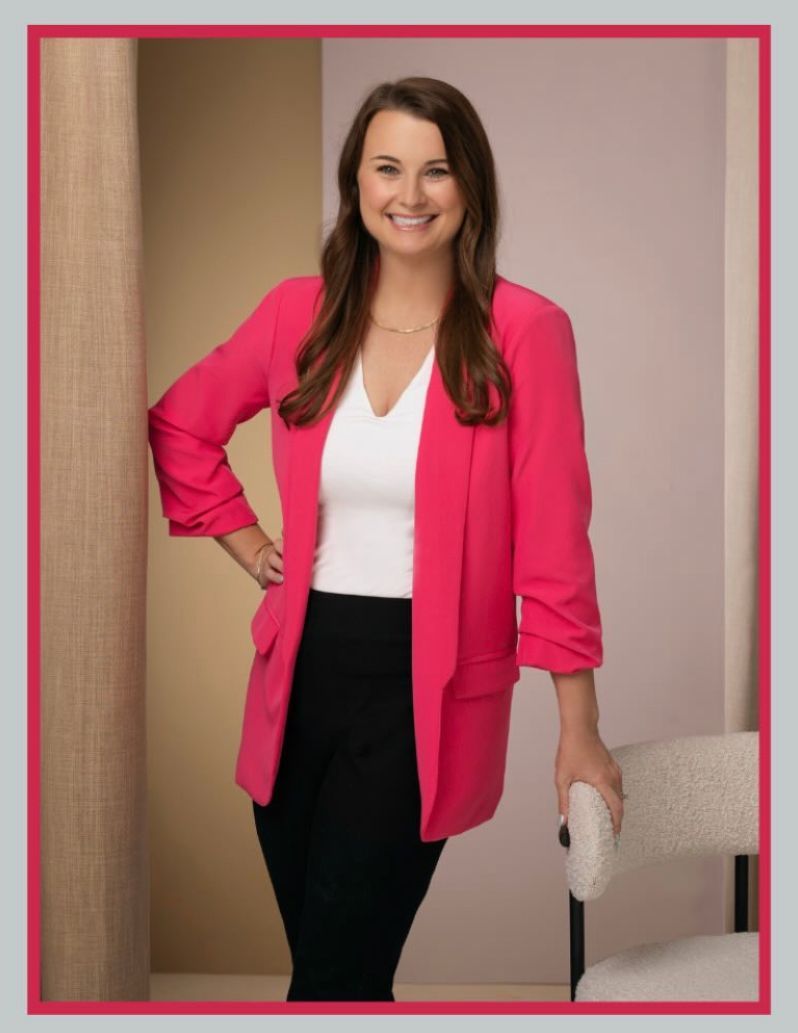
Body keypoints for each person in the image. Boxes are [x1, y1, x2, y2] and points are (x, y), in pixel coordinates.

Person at [147, 75, 624, 1003]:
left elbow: (556, 544)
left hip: (428, 694)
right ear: (355, 183)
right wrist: (248, 545)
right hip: (297, 683)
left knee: (331, 979)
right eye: (389, 168)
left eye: (437, 170)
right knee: (342, 979)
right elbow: (180, 424)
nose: (411, 194)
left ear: (470, 188)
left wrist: (580, 729)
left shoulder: (524, 331)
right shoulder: (298, 312)